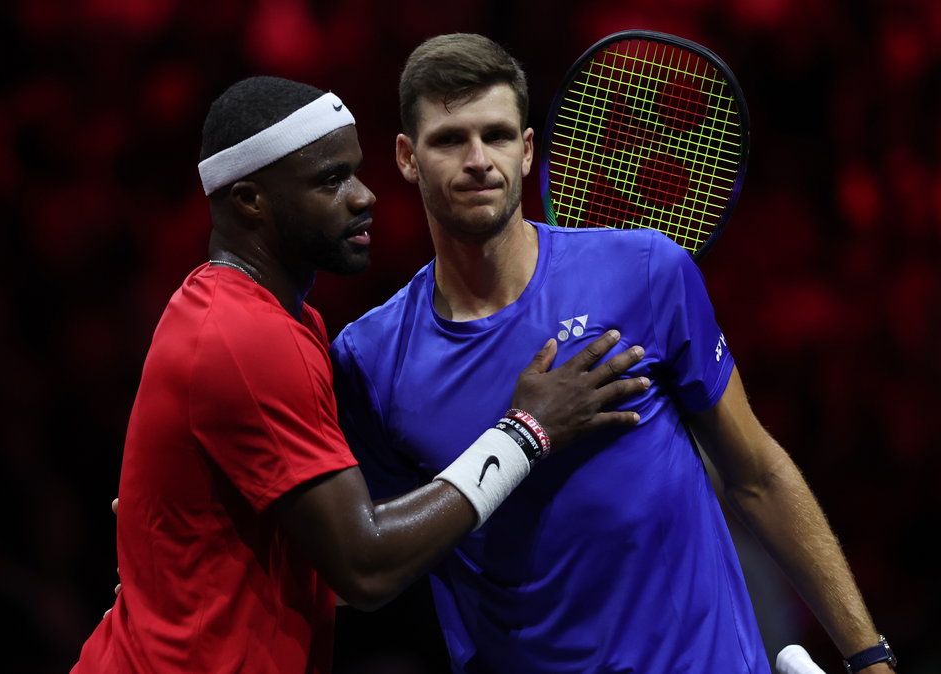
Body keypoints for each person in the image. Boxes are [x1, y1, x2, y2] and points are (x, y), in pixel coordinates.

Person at [329, 34, 895, 673]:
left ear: (528, 151)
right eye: (450, 139)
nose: (479, 159)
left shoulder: (646, 270)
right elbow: (370, 562)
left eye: (499, 135)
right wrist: (521, 437)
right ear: (407, 157)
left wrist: (869, 656)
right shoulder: (369, 358)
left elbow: (756, 472)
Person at [68, 75, 652, 673]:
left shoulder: (264, 319)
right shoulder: (247, 338)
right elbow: (366, 565)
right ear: (250, 200)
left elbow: (332, 564)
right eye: (330, 180)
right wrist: (528, 430)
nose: (364, 195)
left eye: (355, 170)